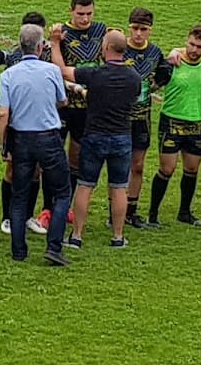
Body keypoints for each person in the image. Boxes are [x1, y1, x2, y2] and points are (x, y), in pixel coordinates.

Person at [55, 30, 142, 250]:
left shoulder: (95, 74)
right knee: (119, 188)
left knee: (85, 186)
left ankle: (76, 236)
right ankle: (118, 236)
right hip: (122, 137)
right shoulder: (134, 77)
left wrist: (55, 45)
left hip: (94, 135)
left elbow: (63, 71)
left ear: (106, 48)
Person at [0, 24, 72, 266]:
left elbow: (3, 113)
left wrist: (3, 144)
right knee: (61, 193)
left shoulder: (8, 74)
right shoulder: (51, 70)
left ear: (20, 46)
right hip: (48, 137)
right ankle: (54, 247)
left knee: (19, 195)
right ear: (41, 47)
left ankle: (19, 251)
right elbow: (62, 100)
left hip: (21, 139)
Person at [145, 25, 201, 228]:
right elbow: (152, 86)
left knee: (192, 168)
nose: (194, 50)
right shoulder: (172, 63)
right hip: (172, 121)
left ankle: (184, 212)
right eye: (191, 44)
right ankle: (153, 213)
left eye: (199, 47)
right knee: (167, 169)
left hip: (195, 122)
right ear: (186, 40)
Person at [0, 12, 50, 236]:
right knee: (12, 169)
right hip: (17, 123)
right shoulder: (13, 58)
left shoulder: (48, 57)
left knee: (36, 171)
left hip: (40, 124)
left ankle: (28, 215)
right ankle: (8, 217)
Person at [52, 0, 108, 190]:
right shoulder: (61, 33)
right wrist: (56, 43)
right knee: (54, 157)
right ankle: (50, 205)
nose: (85, 19)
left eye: (89, 14)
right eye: (80, 14)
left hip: (88, 107)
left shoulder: (101, 29)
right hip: (64, 104)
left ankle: (67, 203)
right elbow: (58, 71)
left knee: (76, 157)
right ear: (71, 10)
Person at [122, 9, 171, 229]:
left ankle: (131, 211)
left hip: (142, 118)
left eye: (143, 29)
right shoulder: (119, 49)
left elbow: (163, 75)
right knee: (118, 166)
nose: (139, 34)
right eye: (135, 28)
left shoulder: (155, 53)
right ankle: (117, 210)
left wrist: (153, 86)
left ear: (150, 30)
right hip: (119, 118)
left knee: (138, 165)